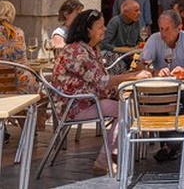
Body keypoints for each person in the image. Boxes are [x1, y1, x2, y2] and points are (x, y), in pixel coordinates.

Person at [51, 9, 151, 174]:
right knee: (126, 110)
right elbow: (102, 81)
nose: (104, 29)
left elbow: (100, 81)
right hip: (74, 106)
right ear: (88, 30)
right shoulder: (77, 51)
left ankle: (115, 153)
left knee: (128, 105)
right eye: (100, 27)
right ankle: (105, 159)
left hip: (86, 101)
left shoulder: (90, 49)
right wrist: (133, 75)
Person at [140, 10, 184, 162]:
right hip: (161, 91)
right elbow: (141, 65)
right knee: (152, 100)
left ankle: (170, 145)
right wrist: (155, 71)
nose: (163, 33)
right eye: (160, 29)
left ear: (179, 28)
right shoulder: (154, 40)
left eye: (167, 29)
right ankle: (171, 144)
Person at [0, 0, 38, 93]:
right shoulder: (19, 33)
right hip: (21, 87)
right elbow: (23, 61)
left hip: (1, 89)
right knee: (44, 93)